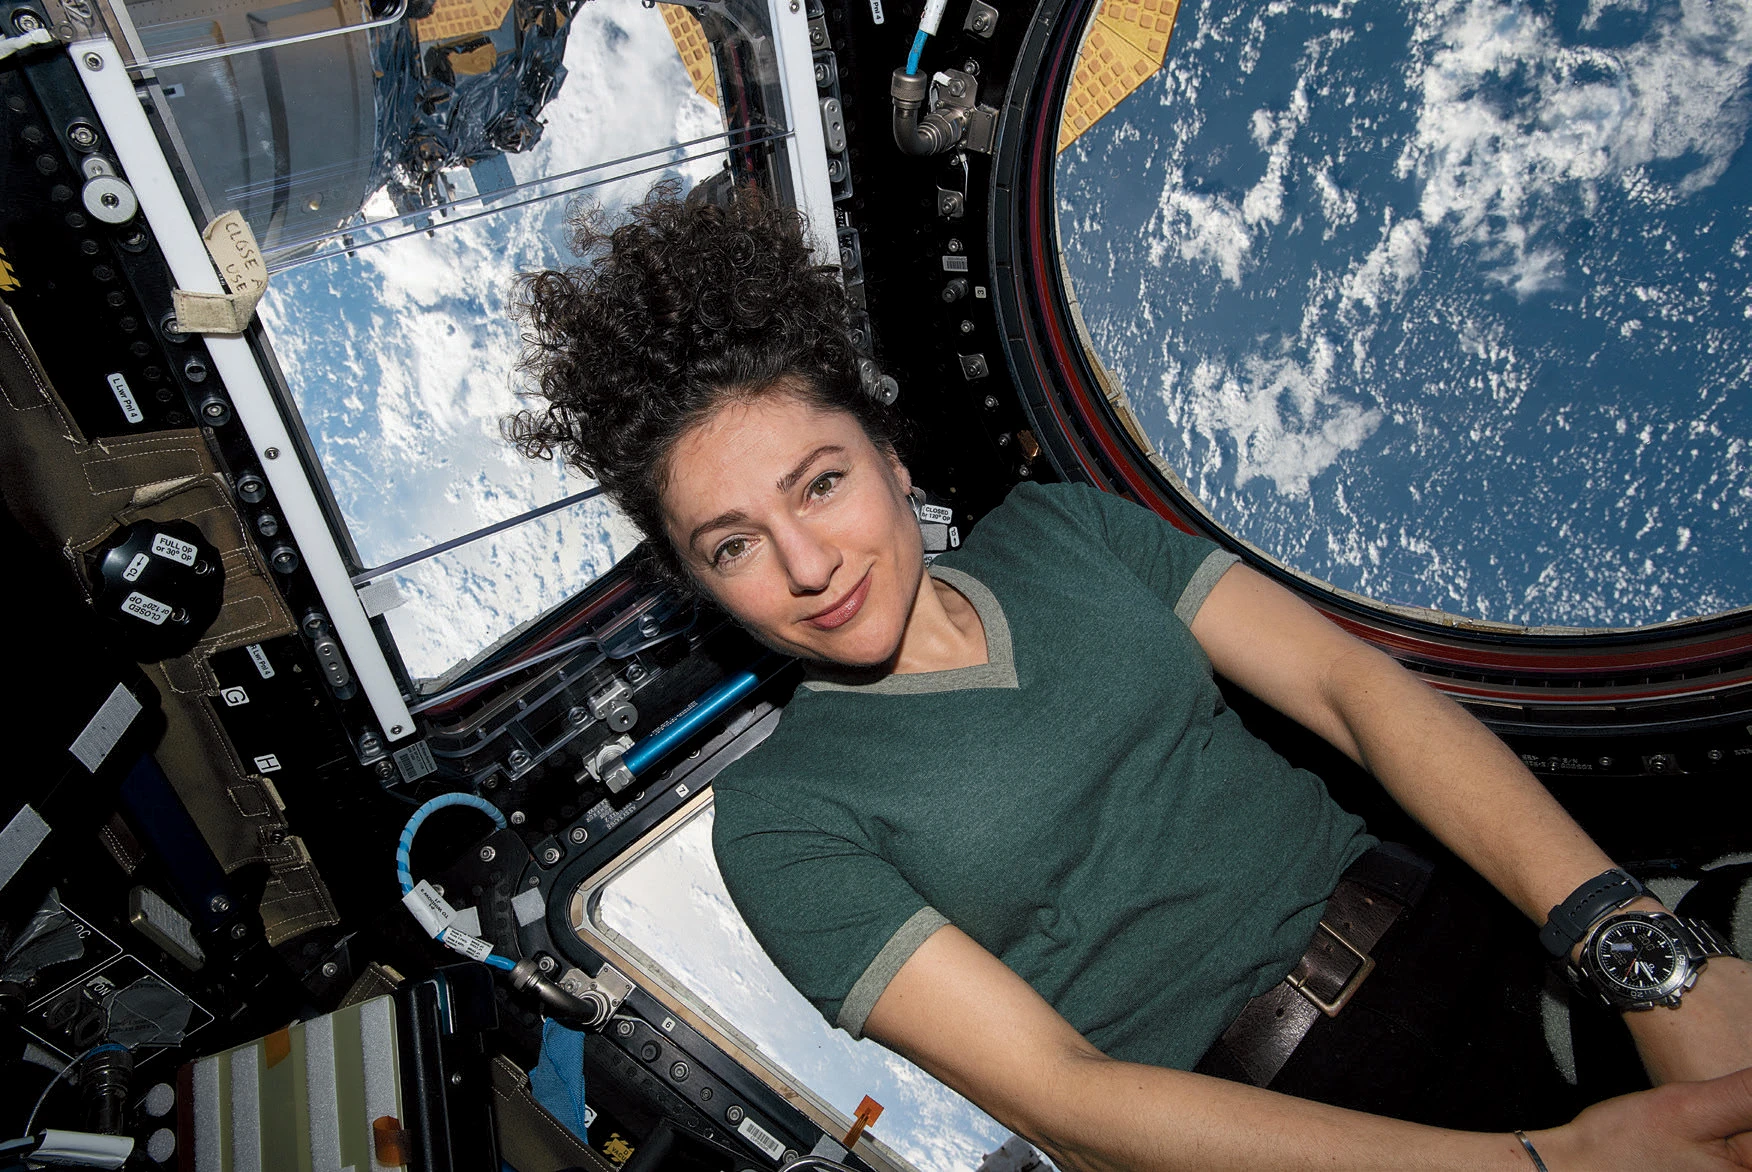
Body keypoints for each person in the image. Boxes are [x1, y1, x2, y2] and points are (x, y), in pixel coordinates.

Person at [506, 183, 1752, 1170]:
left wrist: (1635, 944)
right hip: (1302, 1127)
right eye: (733, 545)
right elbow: (1072, 1097)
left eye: (820, 481)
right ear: (702, 584)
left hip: (1487, 937)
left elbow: (1354, 695)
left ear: (890, 458)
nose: (808, 562)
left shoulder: (1064, 531)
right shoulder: (778, 820)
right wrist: (1543, 1163)